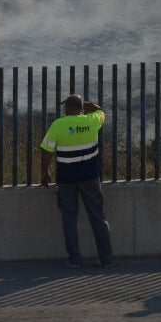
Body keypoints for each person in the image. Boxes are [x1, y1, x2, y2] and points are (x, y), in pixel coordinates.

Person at [39, 92, 113, 269]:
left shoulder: (58, 124)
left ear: (65, 109)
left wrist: (45, 171)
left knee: (69, 218)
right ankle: (106, 259)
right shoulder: (92, 121)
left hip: (66, 179)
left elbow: (46, 151)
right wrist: (85, 102)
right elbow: (101, 110)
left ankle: (75, 259)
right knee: (98, 217)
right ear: (81, 108)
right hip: (90, 177)